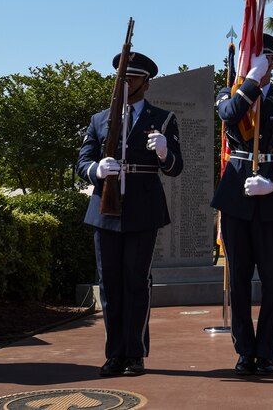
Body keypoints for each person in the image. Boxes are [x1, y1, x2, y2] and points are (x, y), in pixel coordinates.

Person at [76, 50, 183, 378]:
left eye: (132, 79)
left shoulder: (162, 119)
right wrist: (97, 168)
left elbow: (176, 168)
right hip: (104, 210)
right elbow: (82, 163)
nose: (125, 84)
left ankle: (135, 353)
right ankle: (114, 354)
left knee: (136, 282)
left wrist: (164, 151)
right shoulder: (100, 119)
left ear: (145, 85)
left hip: (142, 209)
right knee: (109, 284)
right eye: (122, 78)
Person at [211, 33, 273, 376]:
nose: (259, 62)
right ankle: (244, 350)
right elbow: (229, 114)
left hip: (272, 197)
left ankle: (265, 351)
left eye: (265, 56)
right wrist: (250, 82)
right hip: (237, 195)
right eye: (253, 56)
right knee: (238, 278)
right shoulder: (229, 93)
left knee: (271, 278)